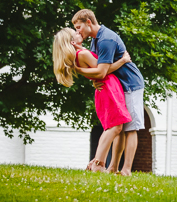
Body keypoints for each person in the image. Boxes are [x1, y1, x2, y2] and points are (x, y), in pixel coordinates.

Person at [72, 9, 145, 176]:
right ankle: (113, 167)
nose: (78, 31)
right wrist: (94, 81)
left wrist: (80, 70)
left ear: (88, 22)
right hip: (118, 85)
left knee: (131, 127)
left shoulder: (106, 39)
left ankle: (126, 169)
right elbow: (98, 70)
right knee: (119, 125)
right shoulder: (95, 41)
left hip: (130, 83)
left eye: (78, 27)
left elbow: (102, 71)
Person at [51, 27, 131, 172]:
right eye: (75, 32)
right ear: (71, 41)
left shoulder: (79, 54)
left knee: (114, 127)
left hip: (104, 88)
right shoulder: (83, 54)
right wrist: (123, 61)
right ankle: (98, 163)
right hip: (108, 88)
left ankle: (98, 162)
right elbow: (103, 71)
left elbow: (96, 72)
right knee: (115, 127)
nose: (78, 32)